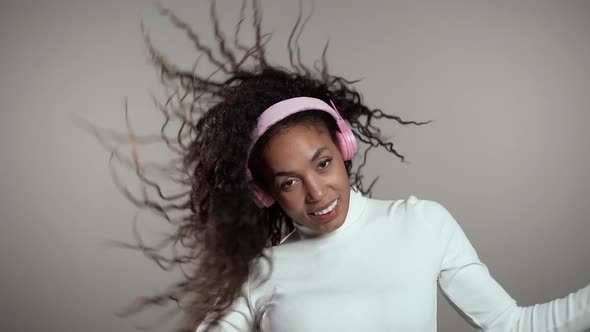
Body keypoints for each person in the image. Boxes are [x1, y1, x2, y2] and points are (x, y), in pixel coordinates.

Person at [107, 1, 590, 331]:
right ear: (265, 192)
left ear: (344, 148)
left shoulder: (421, 224)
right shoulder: (264, 269)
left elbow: (516, 325)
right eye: (289, 181)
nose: (315, 192)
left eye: (322, 164)